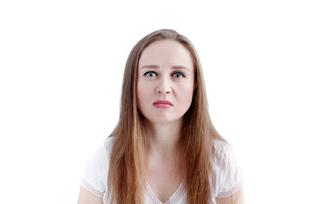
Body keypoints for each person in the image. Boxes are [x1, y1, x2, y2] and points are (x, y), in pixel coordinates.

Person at [77, 29, 244, 204]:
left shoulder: (220, 160)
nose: (164, 87)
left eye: (178, 74)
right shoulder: (105, 160)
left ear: (195, 86)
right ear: (133, 84)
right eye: (150, 74)